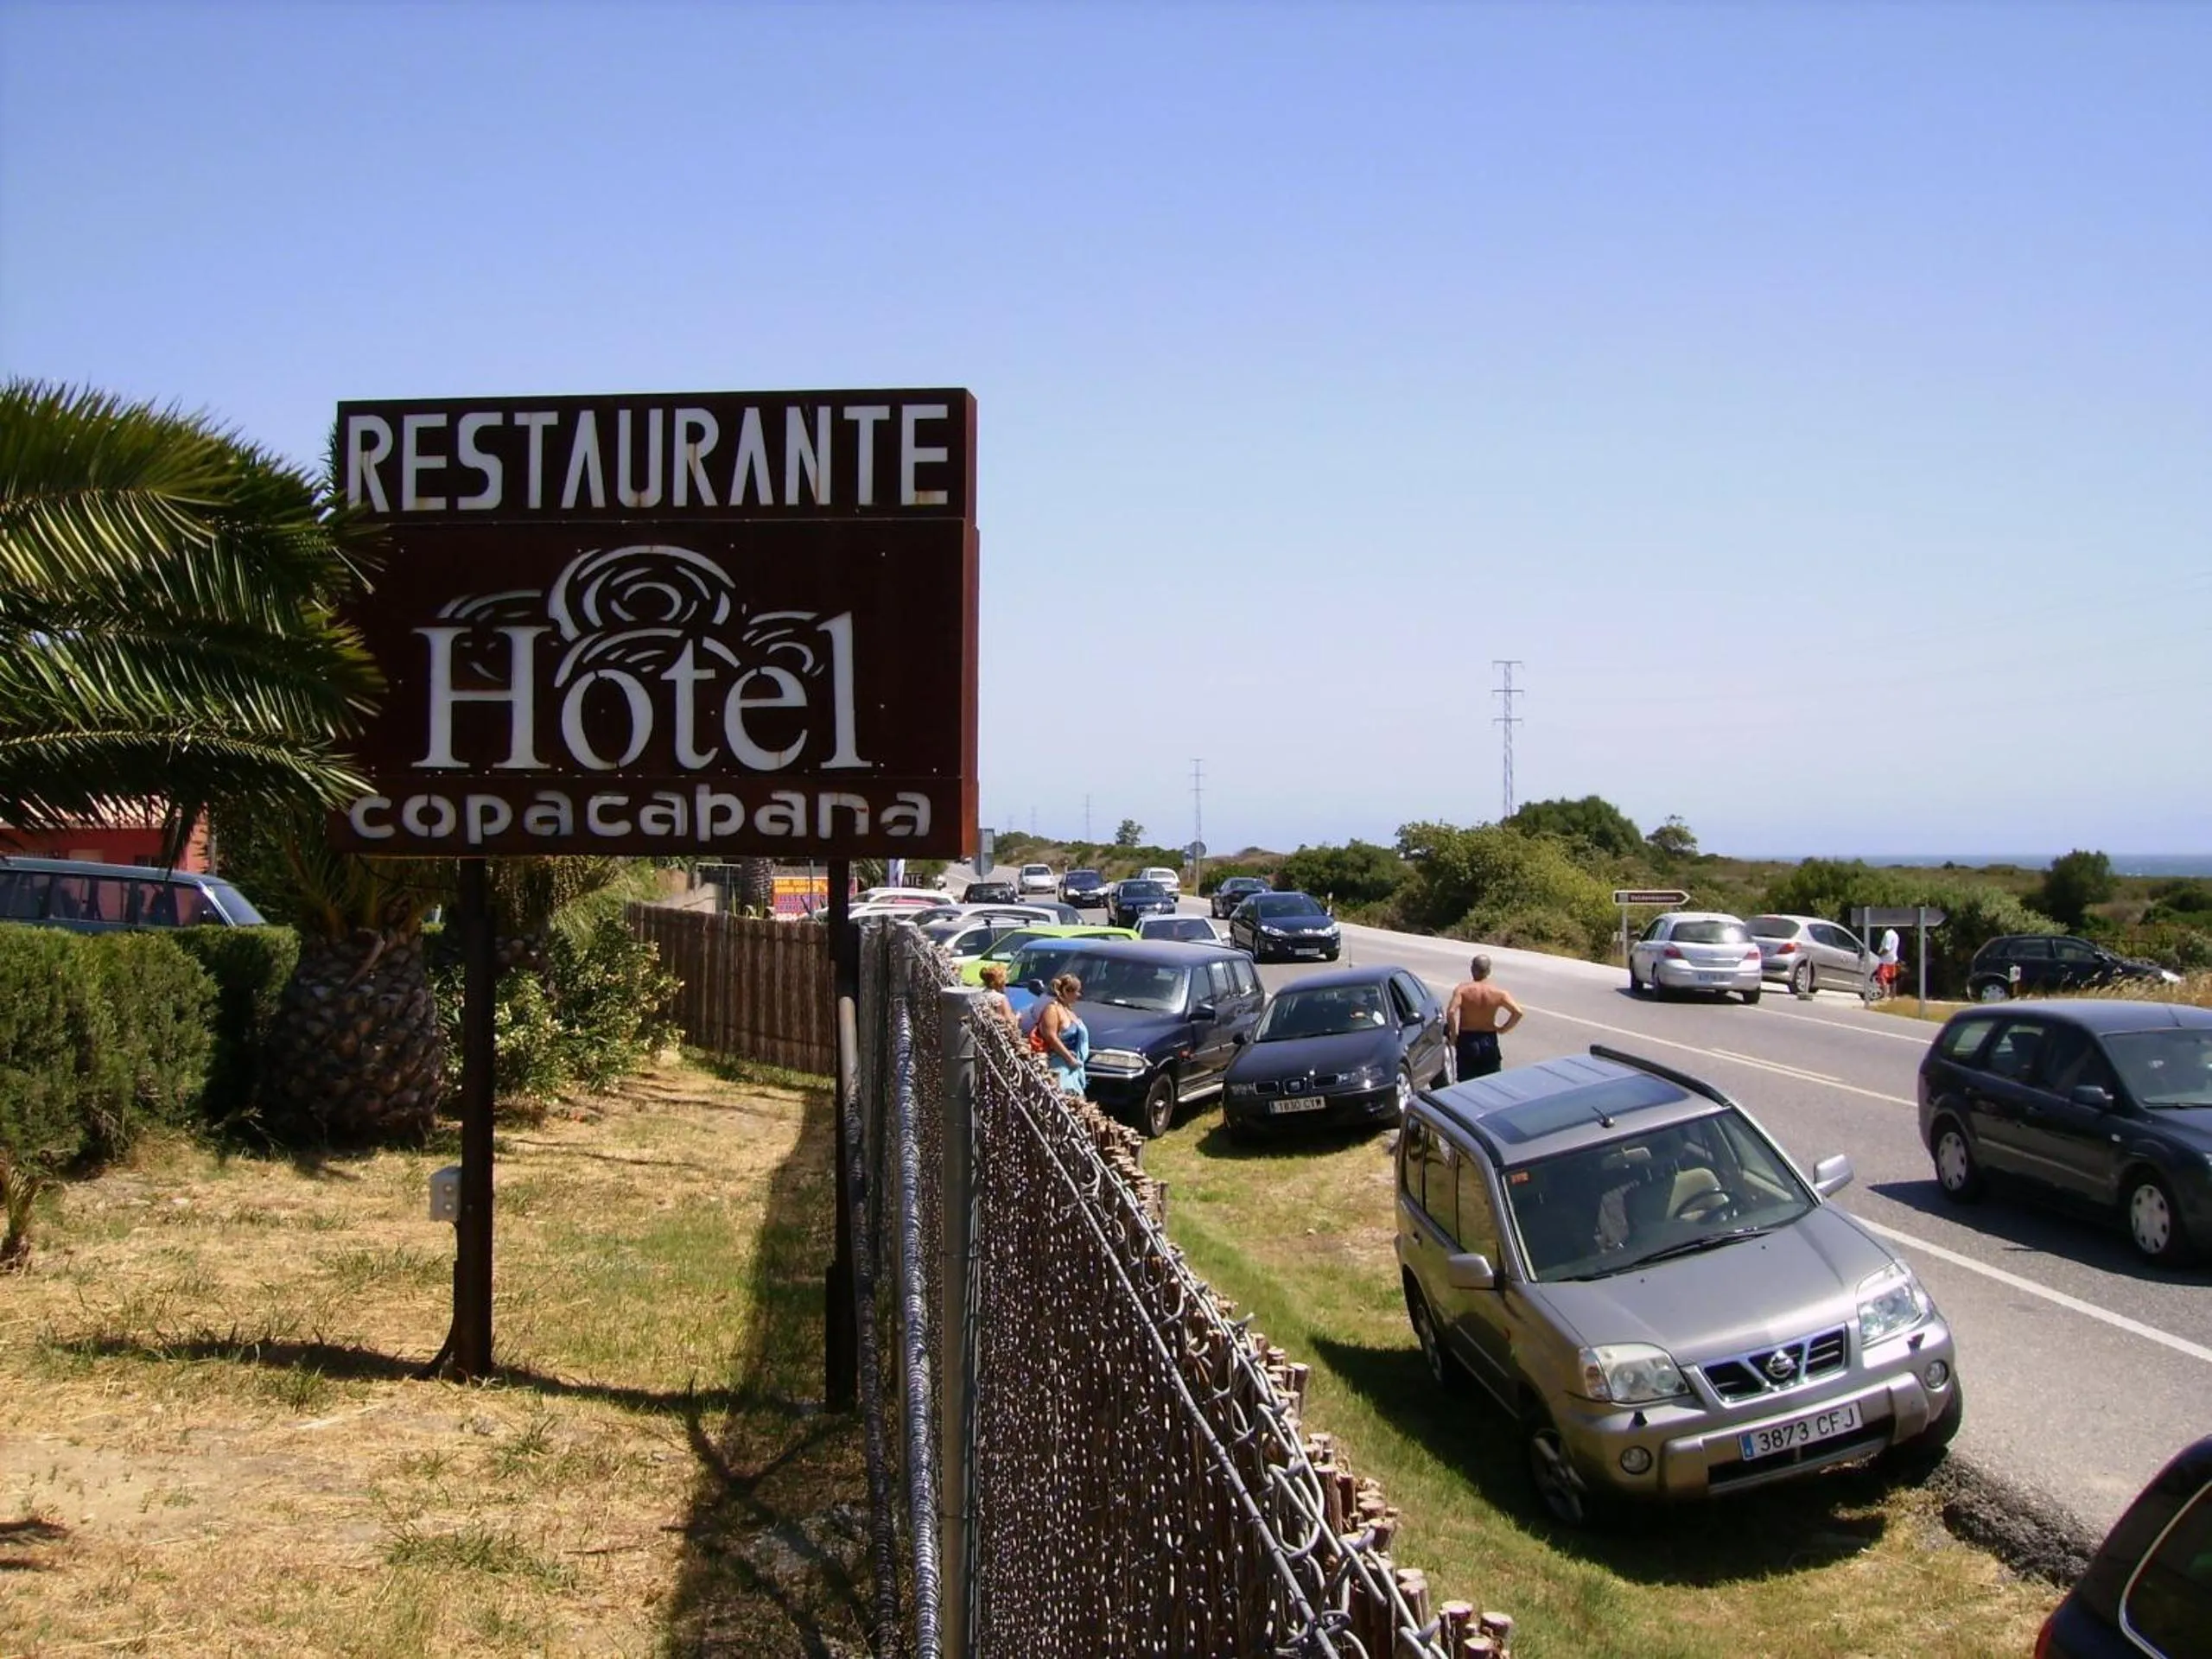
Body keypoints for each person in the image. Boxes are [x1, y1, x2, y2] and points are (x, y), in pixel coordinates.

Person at [1446, 954, 1523, 1080]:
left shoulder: (1462, 990)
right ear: (1489, 971)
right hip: (1489, 1039)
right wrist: (1503, 1029)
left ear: (1472, 969)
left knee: (1466, 1083)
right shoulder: (1499, 993)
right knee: (1490, 1083)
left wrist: (1454, 1037)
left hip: (1467, 1039)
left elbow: (1451, 1012)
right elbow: (1518, 1012)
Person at [1033, 972, 1090, 1096]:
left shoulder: (1068, 1010)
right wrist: (1069, 1059)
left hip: (1074, 1068)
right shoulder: (1052, 1009)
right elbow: (1051, 1037)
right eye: (1077, 992)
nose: (1079, 995)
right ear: (1067, 991)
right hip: (1060, 1065)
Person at [977, 963, 1021, 1033]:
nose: (1007, 981)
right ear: (1001, 981)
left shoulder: (979, 995)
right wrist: (1017, 1017)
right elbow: (1010, 1023)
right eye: (1006, 979)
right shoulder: (1001, 998)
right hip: (998, 1036)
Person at [1877, 927, 1902, 997]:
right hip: (1893, 959)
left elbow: (1887, 948)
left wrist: (1880, 954)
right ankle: (1893, 996)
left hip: (1885, 959)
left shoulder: (1888, 934)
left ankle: (1885, 995)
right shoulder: (1896, 935)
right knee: (1892, 979)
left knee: (1882, 977)